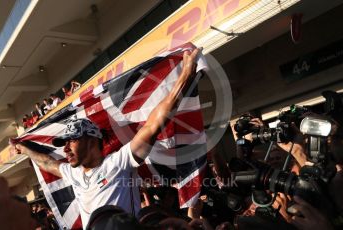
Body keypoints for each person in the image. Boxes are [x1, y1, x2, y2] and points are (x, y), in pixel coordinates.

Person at [11, 48, 201, 228]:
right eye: (64, 143)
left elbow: (153, 125)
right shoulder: (73, 172)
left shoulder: (119, 162)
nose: (66, 149)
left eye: (72, 140)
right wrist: (24, 149)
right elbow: (47, 162)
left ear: (92, 139)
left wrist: (185, 75)